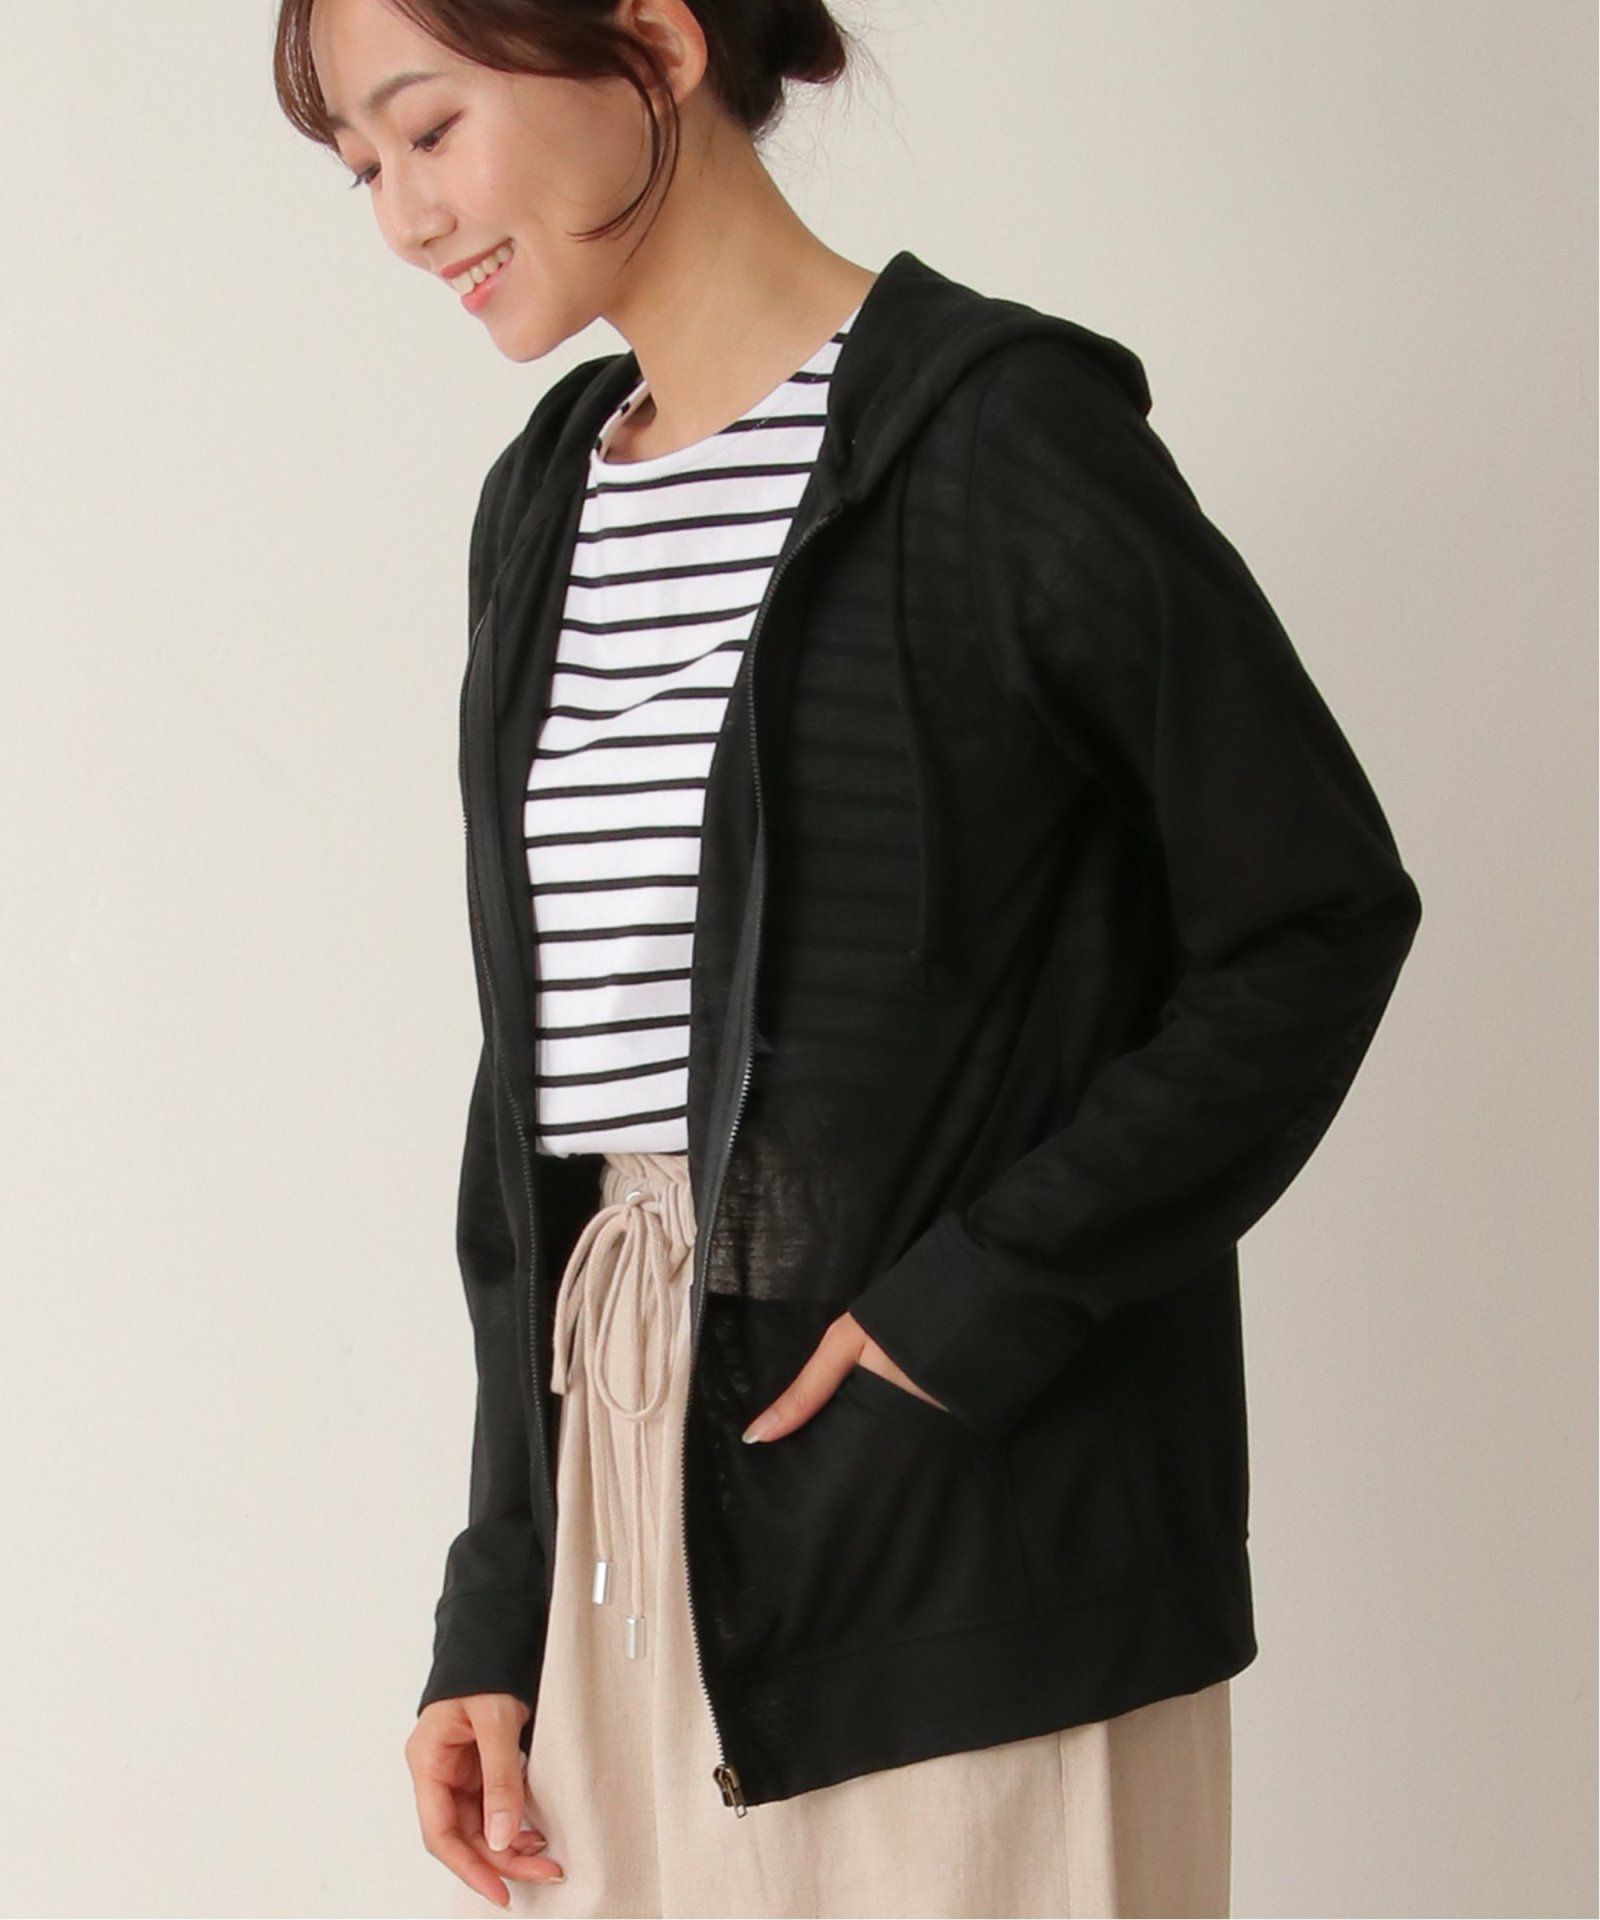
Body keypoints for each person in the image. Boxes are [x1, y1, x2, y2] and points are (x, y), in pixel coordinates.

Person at [275, 2, 1424, 1914]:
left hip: (969, 1528)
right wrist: (496, 1589)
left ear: (652, 40)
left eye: (429, 126)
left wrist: (973, 1306)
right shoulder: (545, 502)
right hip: (623, 1520)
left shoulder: (999, 435)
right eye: (361, 169)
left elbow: (1313, 919)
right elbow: (548, 1091)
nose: (405, 216)